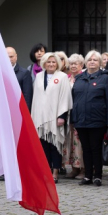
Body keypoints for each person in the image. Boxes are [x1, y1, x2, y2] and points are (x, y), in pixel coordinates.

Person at [70, 50, 108, 186]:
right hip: (81, 120)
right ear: (86, 62)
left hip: (97, 120)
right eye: (90, 60)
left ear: (100, 63)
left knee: (95, 148)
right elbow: (74, 100)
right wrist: (73, 119)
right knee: (86, 149)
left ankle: (97, 176)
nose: (92, 62)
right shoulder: (79, 78)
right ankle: (87, 175)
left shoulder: (105, 78)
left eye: (95, 60)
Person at [31, 52, 72, 182]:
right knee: (43, 145)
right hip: (40, 117)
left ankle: (55, 172)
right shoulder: (38, 76)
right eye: (49, 62)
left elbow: (65, 97)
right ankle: (46, 170)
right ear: (44, 63)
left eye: (54, 62)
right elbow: (35, 98)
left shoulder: (62, 77)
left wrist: (62, 116)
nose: (51, 64)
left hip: (55, 116)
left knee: (55, 144)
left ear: (58, 64)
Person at [63, 53, 85, 179]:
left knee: (80, 142)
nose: (73, 66)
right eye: (71, 64)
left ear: (81, 65)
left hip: (80, 114)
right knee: (70, 141)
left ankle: (84, 169)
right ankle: (74, 168)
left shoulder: (84, 78)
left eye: (75, 64)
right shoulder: (66, 78)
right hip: (68, 114)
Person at [6, 47, 33, 111]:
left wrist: (26, 112)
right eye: (6, 57)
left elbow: (27, 96)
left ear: (16, 57)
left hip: (18, 109)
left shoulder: (24, 73)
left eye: (11, 57)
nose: (9, 59)